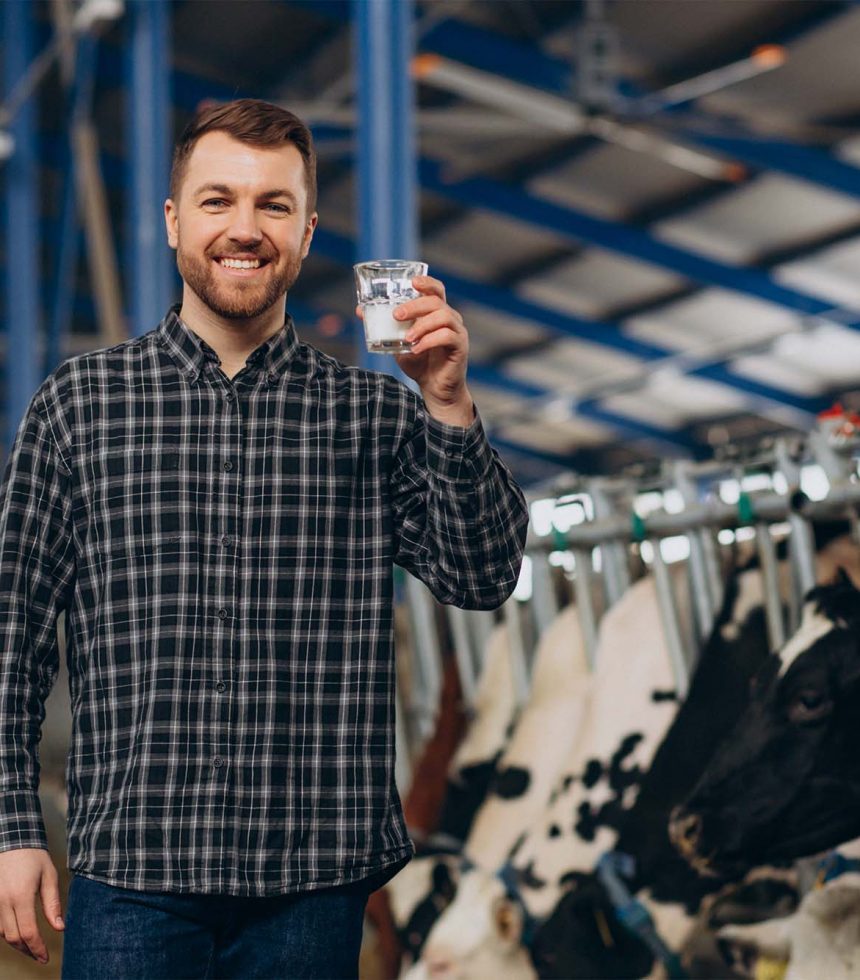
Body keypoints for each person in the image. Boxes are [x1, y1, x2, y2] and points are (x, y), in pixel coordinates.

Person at [0, 98, 528, 979]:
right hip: (133, 875)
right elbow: (12, 635)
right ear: (174, 222)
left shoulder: (375, 415)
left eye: (272, 206)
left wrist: (446, 401)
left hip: (312, 888)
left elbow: (483, 575)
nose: (244, 228)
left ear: (307, 230)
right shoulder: (80, 406)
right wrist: (14, 828)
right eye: (218, 201)